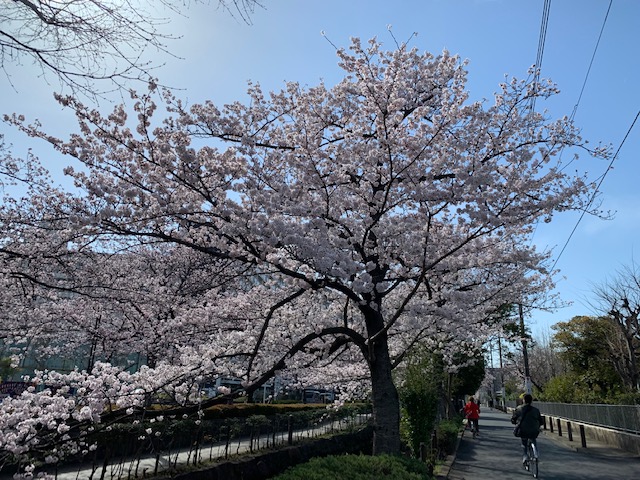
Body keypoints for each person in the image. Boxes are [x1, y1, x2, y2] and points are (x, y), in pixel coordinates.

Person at [511, 393, 543, 465]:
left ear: (524, 400)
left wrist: (515, 422)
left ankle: (525, 456)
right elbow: (541, 421)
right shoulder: (536, 410)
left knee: (524, 443)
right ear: (531, 401)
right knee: (533, 440)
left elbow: (513, 419)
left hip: (523, 430)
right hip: (534, 430)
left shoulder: (519, 409)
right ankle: (536, 454)